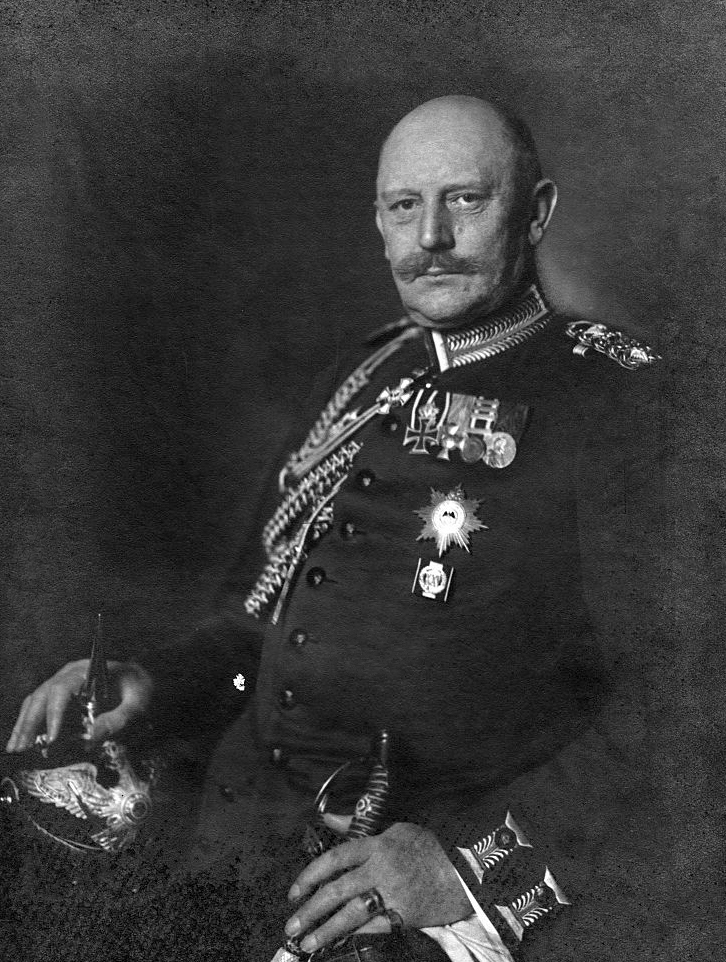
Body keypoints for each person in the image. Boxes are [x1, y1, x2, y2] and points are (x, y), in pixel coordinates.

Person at [5, 96, 666, 962]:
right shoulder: (365, 373)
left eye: (466, 200)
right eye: (404, 205)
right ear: (380, 224)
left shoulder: (621, 404)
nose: (431, 236)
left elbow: (684, 710)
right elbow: (256, 621)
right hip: (241, 851)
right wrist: (152, 682)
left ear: (536, 212)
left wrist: (473, 869)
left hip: (413, 900)